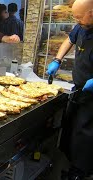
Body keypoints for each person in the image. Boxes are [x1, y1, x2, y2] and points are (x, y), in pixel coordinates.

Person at [46, 0, 93, 179]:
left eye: (79, 17)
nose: (76, 20)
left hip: (92, 95)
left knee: (86, 136)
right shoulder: (82, 26)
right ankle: (69, 164)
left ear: (92, 13)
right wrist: (57, 59)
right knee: (71, 128)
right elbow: (69, 39)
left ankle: (81, 172)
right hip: (79, 89)